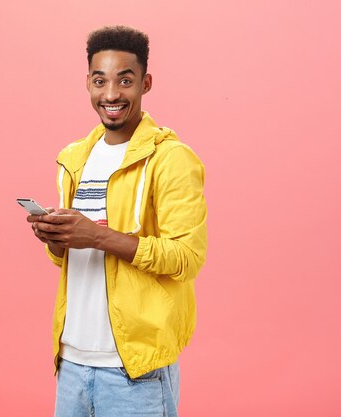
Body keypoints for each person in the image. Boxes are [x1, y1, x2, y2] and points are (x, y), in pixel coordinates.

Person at [26, 25, 207, 417]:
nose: (111, 94)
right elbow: (67, 258)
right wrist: (54, 238)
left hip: (134, 371)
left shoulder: (171, 158)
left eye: (125, 80)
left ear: (146, 83)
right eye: (100, 80)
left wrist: (97, 235)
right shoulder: (74, 157)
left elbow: (186, 257)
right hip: (71, 361)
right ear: (88, 84)